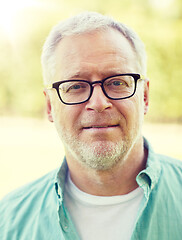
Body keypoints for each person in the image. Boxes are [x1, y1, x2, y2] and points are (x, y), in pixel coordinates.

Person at [0, 11, 182, 240]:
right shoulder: (8, 223)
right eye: (75, 86)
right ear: (49, 106)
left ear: (144, 97)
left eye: (117, 82)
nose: (98, 103)